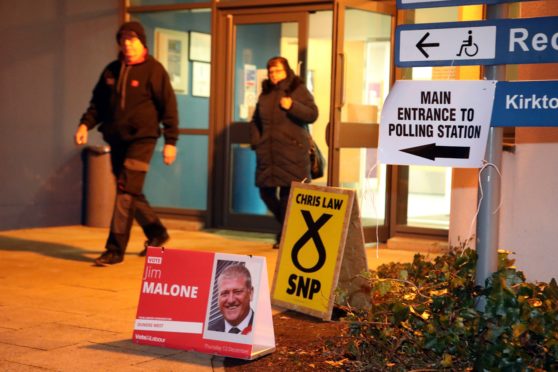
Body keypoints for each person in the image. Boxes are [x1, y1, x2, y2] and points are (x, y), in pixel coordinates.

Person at [74, 21, 178, 266]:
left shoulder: (155, 70)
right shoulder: (112, 70)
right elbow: (97, 104)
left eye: (133, 40)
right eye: (124, 41)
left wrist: (171, 140)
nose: (128, 45)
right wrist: (84, 125)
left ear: (143, 43)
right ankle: (156, 232)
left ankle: (114, 249)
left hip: (143, 139)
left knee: (125, 192)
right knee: (130, 190)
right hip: (116, 139)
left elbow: (169, 107)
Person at [249, 56, 319, 249]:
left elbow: (313, 114)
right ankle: (292, 230)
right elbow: (255, 120)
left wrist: (293, 106)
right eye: (271, 71)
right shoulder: (266, 93)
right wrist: (257, 141)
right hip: (268, 153)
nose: (274, 75)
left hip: (292, 153)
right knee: (265, 192)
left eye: (278, 71)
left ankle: (286, 236)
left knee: (288, 197)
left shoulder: (297, 89)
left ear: (286, 71)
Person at [208, 264, 254, 334]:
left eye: (237, 292)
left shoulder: (262, 328)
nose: (231, 300)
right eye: (224, 293)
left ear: (250, 293)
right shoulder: (209, 331)